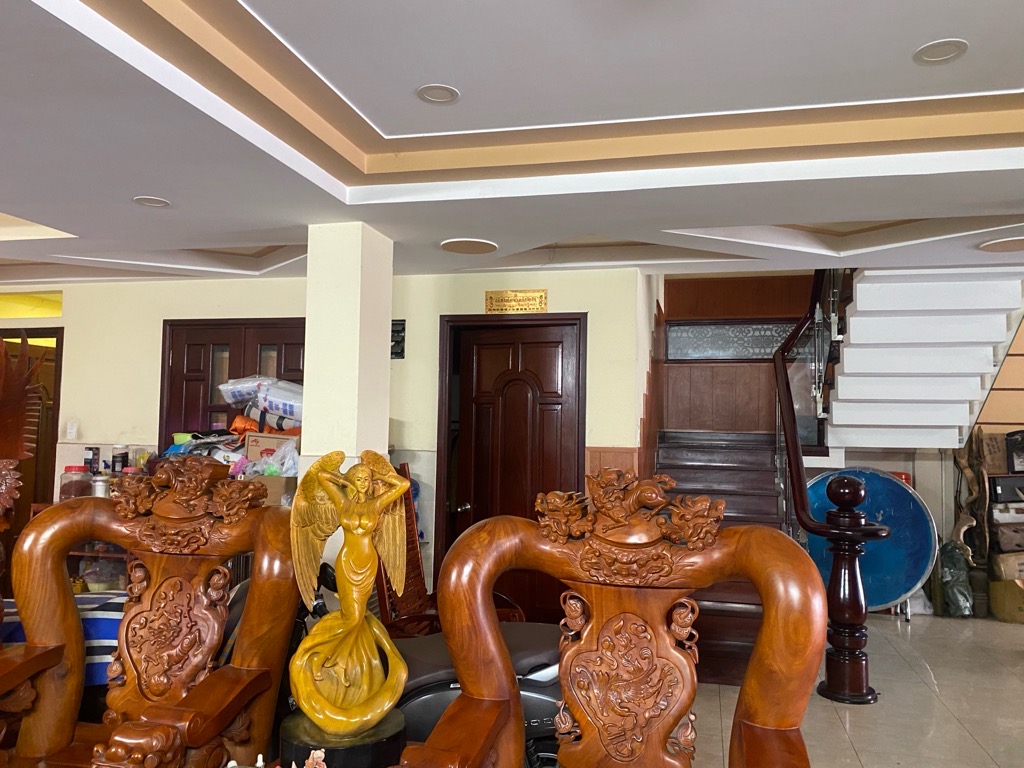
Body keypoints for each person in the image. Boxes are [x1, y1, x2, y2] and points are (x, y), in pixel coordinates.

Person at [289, 450, 410, 736]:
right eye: (360, 478)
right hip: (347, 564)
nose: (364, 482)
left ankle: (343, 665)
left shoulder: (376, 503)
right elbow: (321, 476)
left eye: (366, 479)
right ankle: (315, 656)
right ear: (352, 481)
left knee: (358, 616)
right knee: (352, 617)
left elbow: (403, 485)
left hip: (367, 564)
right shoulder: (342, 501)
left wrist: (380, 475)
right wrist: (342, 479)